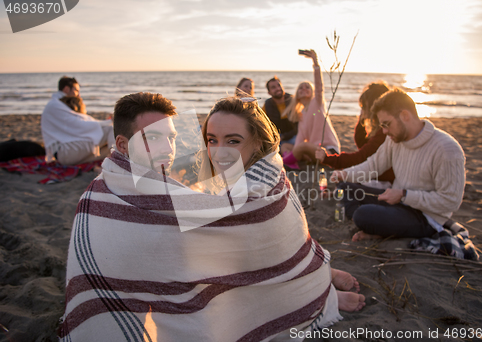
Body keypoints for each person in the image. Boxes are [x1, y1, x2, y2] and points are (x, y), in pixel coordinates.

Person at [60, 95, 364, 342]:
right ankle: (315, 275)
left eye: (172, 137)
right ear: (124, 147)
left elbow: (262, 238)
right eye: (211, 139)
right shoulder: (99, 200)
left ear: (257, 143)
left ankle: (315, 275)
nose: (168, 149)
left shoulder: (263, 189)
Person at [330, 88, 466, 242]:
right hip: (396, 203)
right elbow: (373, 165)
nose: (385, 131)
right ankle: (378, 227)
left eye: (387, 124)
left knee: (363, 214)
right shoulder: (394, 139)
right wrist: (345, 174)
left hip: (425, 217)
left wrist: (404, 195)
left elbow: (450, 201)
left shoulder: (447, 149)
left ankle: (375, 226)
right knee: (344, 187)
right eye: (382, 126)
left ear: (405, 116)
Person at [315, 81, 395, 188]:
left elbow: (361, 157)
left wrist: (327, 158)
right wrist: (361, 119)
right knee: (345, 181)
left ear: (372, 108)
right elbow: (362, 143)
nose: (361, 110)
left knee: (345, 184)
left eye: (363, 107)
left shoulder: (384, 133)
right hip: (378, 178)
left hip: (387, 183)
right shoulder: (379, 131)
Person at [281, 50, 341, 168]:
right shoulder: (301, 113)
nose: (304, 89)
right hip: (313, 152)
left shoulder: (317, 102)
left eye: (307, 87)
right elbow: (300, 138)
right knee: (285, 146)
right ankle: (293, 163)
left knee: (303, 147)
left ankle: (284, 162)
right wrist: (297, 150)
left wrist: (316, 63)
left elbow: (319, 87)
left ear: (312, 92)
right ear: (297, 94)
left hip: (328, 152)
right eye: (301, 88)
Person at [41, 76, 114, 165]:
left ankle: (116, 161)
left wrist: (106, 122)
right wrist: (109, 122)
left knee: (109, 149)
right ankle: (117, 163)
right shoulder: (55, 105)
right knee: (111, 129)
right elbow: (80, 124)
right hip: (65, 152)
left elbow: (81, 123)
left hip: (66, 154)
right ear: (67, 89)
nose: (79, 95)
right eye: (76, 90)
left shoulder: (58, 103)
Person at [263, 76, 297, 154]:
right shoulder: (267, 105)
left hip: (294, 135)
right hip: (278, 138)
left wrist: (284, 136)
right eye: (273, 87)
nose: (278, 88)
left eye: (279, 85)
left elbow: (300, 125)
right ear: (269, 92)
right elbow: (264, 125)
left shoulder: (292, 101)